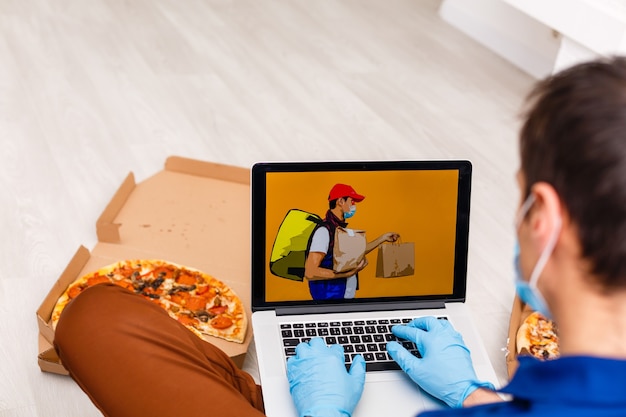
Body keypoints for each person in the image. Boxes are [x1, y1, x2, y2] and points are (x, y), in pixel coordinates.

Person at [53, 56, 626, 417]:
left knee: (93, 318)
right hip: (336, 309)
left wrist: (325, 410)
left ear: (543, 217)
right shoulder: (537, 393)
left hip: (329, 367)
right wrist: (477, 392)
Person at [304, 183, 399, 300]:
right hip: (330, 301)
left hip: (343, 299)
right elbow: (310, 272)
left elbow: (355, 253)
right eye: (352, 201)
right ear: (340, 201)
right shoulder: (324, 231)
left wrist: (382, 238)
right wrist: (348, 273)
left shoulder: (339, 229)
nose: (354, 206)